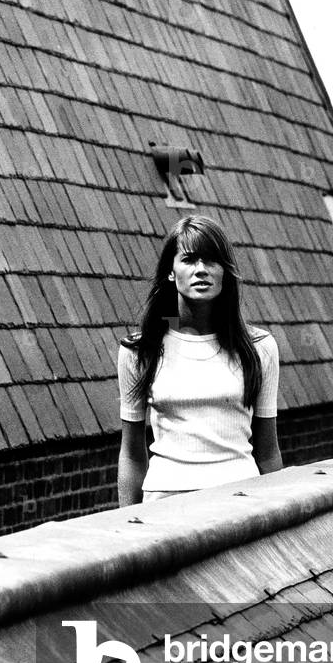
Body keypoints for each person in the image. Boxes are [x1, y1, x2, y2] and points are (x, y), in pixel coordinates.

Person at [117, 214, 282, 505]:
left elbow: (268, 452)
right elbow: (131, 454)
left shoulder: (259, 348)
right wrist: (126, 522)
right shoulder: (140, 350)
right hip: (165, 507)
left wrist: (280, 516)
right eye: (190, 259)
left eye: (212, 261)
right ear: (171, 271)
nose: (201, 270)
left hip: (242, 503)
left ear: (225, 271)